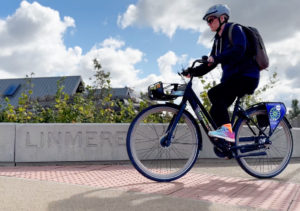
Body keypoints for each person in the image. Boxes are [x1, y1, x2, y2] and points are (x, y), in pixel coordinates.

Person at [185, 4, 260, 143]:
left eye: (211, 19)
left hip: (246, 76)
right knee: (214, 112)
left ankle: (227, 132)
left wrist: (217, 58)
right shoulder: (218, 41)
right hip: (232, 80)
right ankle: (226, 147)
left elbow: (239, 49)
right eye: (207, 21)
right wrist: (193, 71)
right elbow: (210, 63)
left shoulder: (234, 30)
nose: (209, 23)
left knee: (214, 93)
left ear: (223, 18)